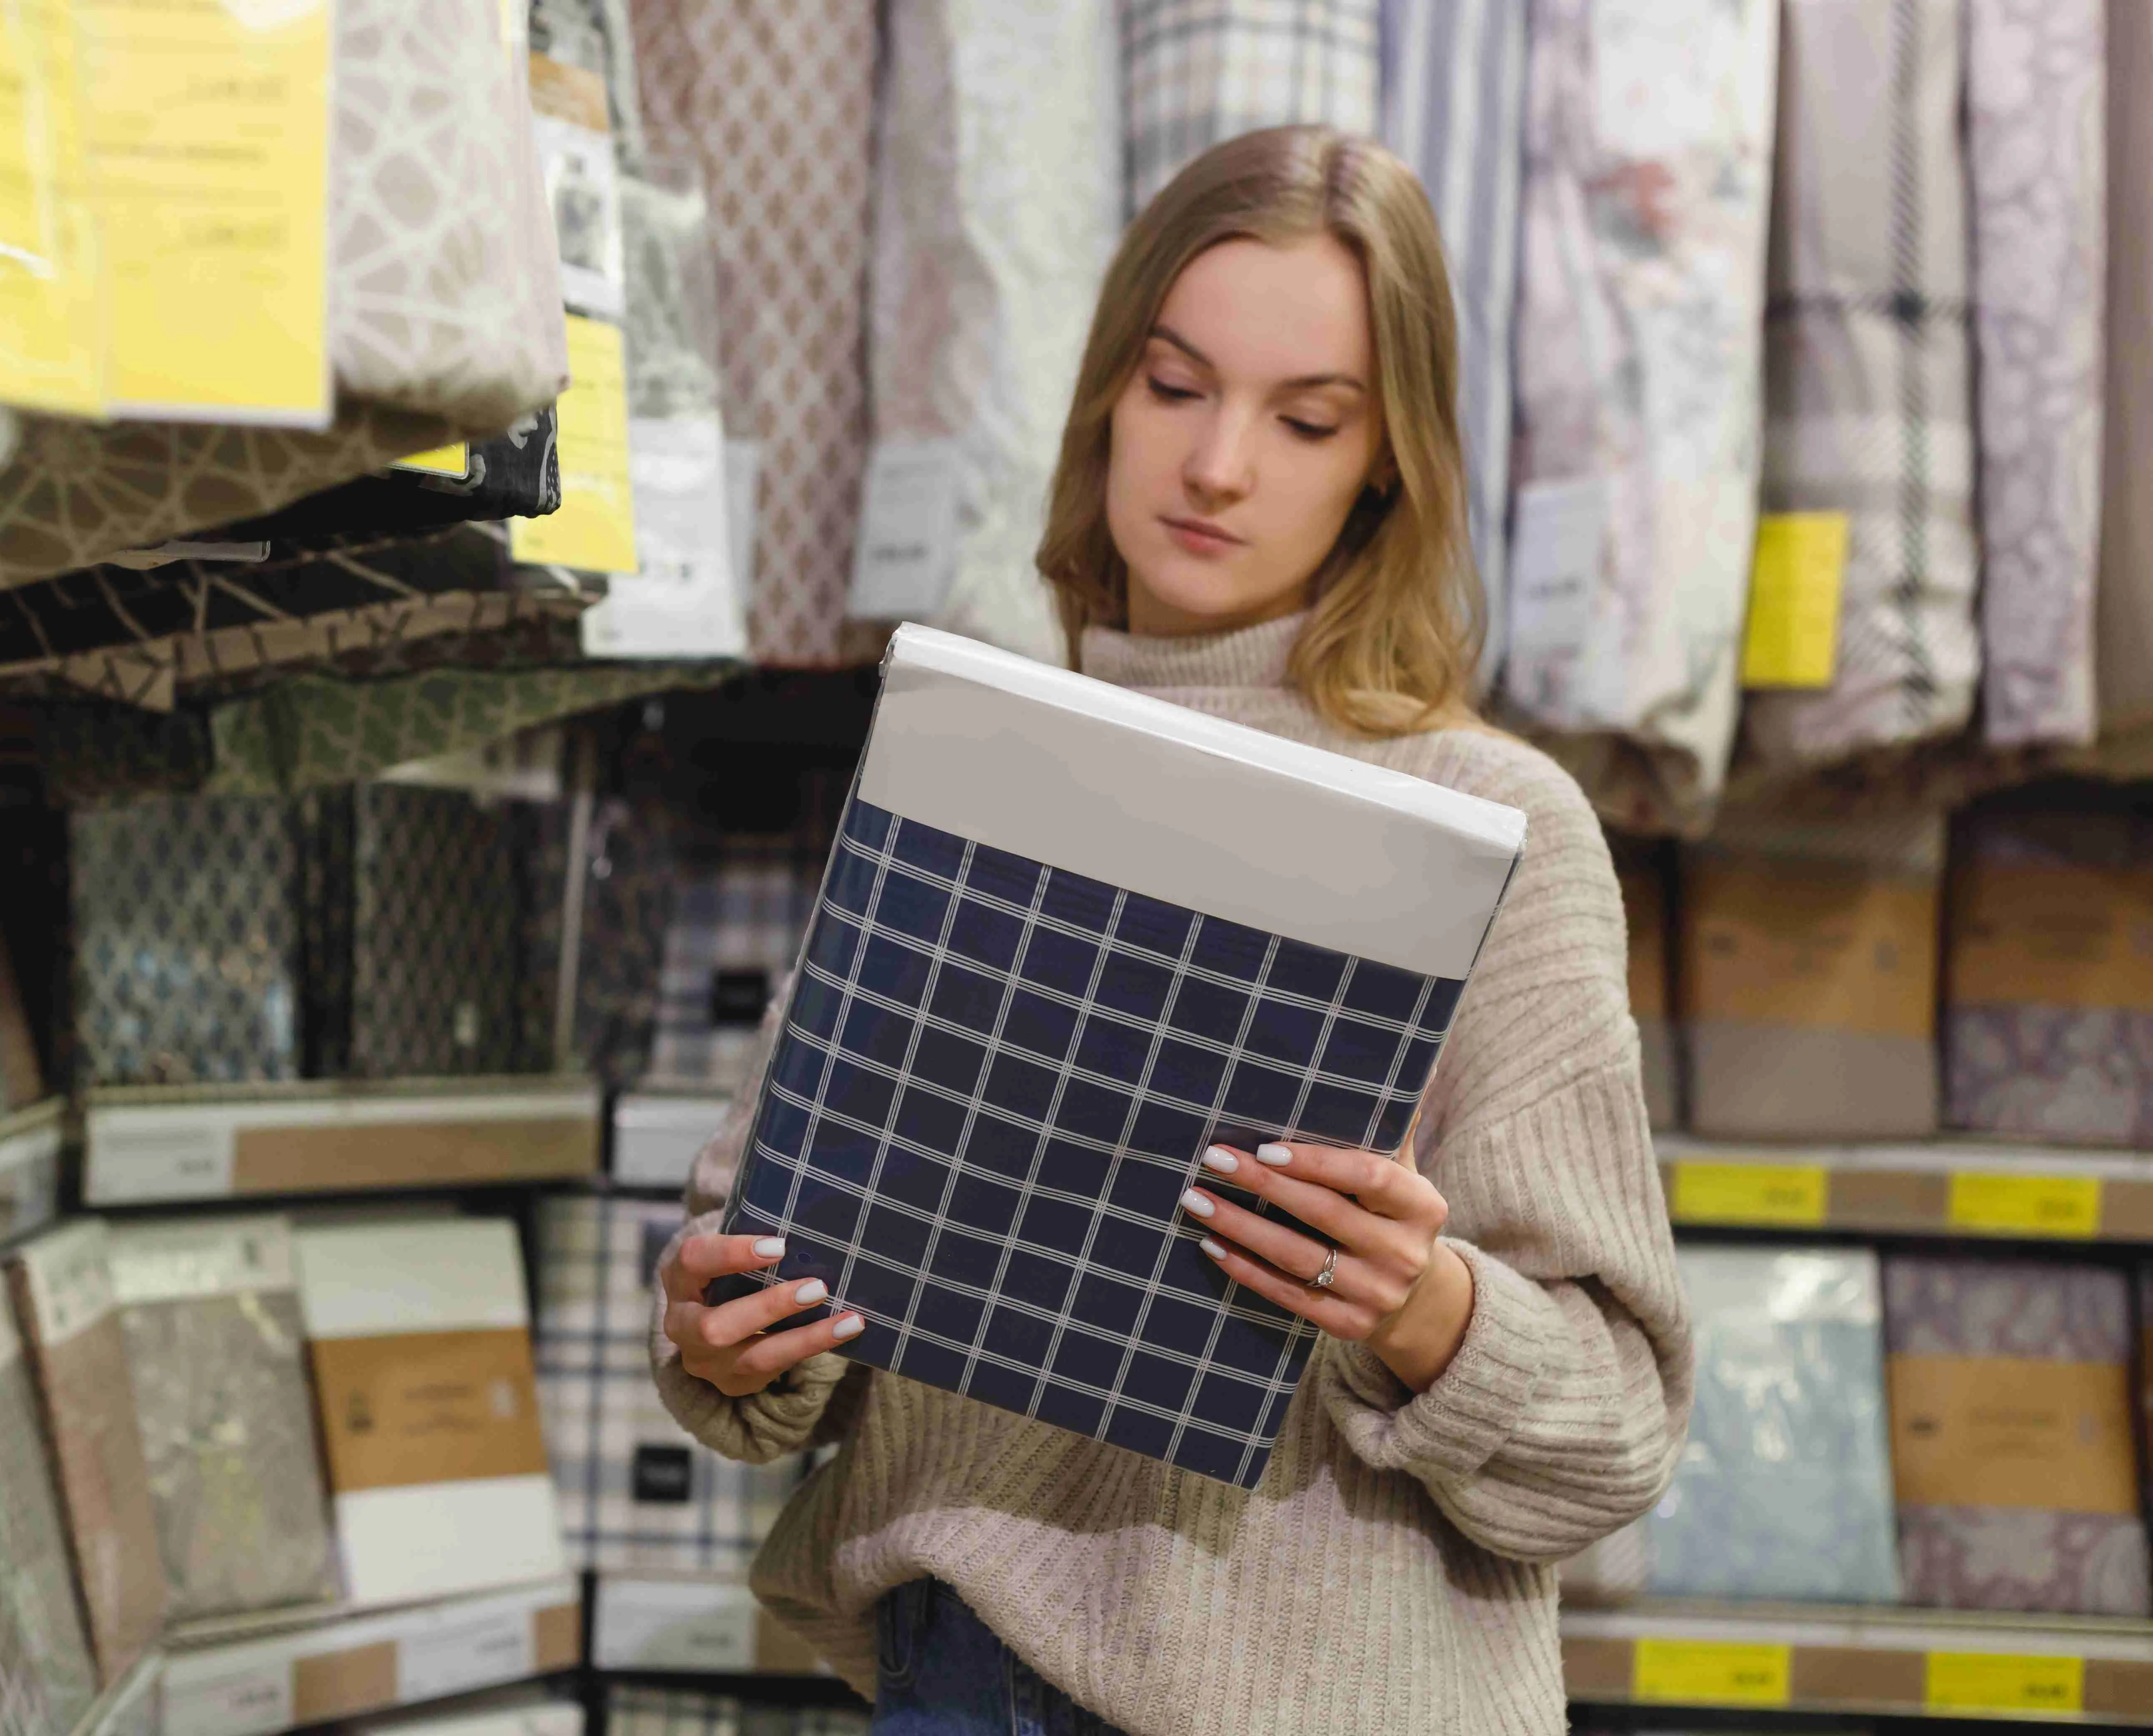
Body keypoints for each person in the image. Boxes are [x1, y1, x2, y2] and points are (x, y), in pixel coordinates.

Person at [651, 125, 1690, 1736]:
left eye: (1306, 420)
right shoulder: (974, 754)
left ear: (1387, 463)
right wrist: (728, 1336)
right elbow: (761, 1291)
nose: (1217, 467)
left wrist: (1425, 1311)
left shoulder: (1500, 825)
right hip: (965, 1676)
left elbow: (1618, 1439)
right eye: (1177, 386)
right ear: (1106, 398)